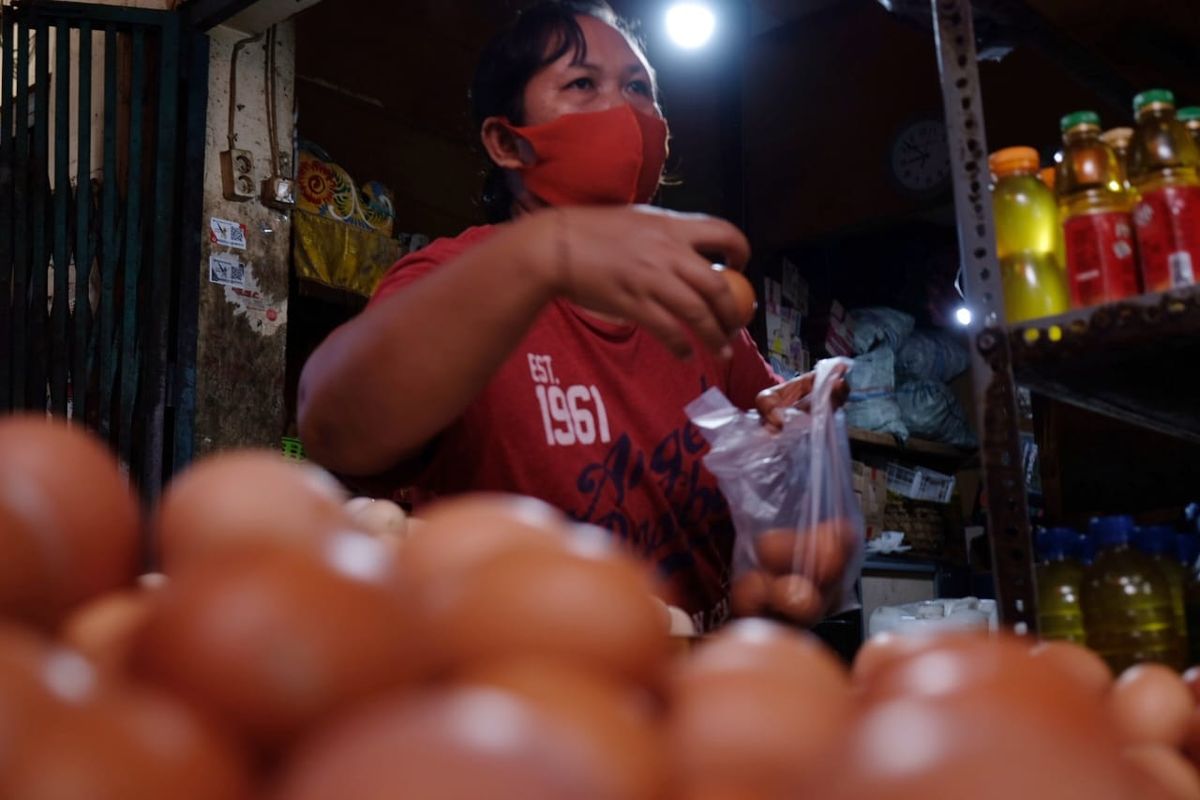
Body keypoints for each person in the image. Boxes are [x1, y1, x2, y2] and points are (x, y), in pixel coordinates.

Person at [297, 0, 846, 631]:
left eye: (640, 88)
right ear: (507, 141)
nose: (624, 110)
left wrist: (803, 432)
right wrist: (545, 251)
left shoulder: (692, 306)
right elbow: (334, 426)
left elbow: (768, 430)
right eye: (583, 84)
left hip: (688, 680)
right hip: (523, 686)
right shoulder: (457, 284)